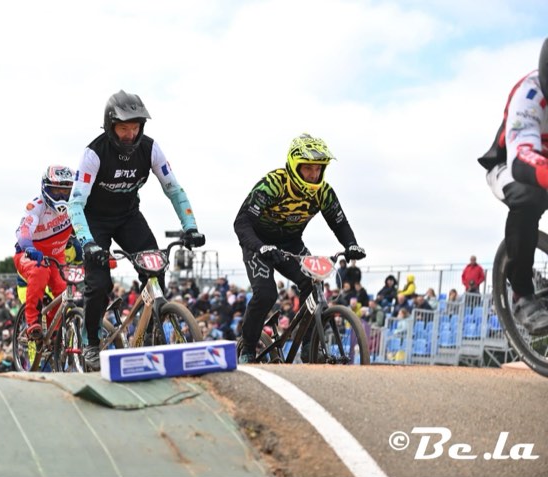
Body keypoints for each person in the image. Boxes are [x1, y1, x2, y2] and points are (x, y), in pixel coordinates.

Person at [67, 90, 205, 371]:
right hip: (95, 221)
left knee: (156, 267)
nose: (130, 134)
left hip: (129, 216)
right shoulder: (93, 154)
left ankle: (151, 329)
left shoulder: (151, 149)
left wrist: (190, 226)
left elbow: (174, 190)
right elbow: (75, 203)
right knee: (99, 285)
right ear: (110, 126)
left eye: (135, 127)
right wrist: (88, 242)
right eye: (123, 128)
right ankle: (91, 341)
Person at [233, 133, 366, 363]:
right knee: (266, 294)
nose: (314, 175)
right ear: (295, 166)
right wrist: (260, 247)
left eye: (318, 169)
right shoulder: (274, 183)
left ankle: (308, 346)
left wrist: (351, 245)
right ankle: (247, 349)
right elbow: (241, 222)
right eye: (308, 169)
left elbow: (339, 222)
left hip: (291, 244)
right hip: (259, 243)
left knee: (312, 283)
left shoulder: (323, 192)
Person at [480, 38, 548, 335]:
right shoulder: (529, 94)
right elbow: (522, 158)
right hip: (510, 164)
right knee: (528, 196)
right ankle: (522, 294)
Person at [13, 165, 77, 342]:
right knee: (39, 271)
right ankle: (32, 322)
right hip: (30, 255)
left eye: (66, 191)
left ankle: (54, 331)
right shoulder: (36, 206)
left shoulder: (76, 207)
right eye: (56, 190)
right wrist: (29, 246)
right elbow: (24, 230)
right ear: (46, 188)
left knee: (64, 290)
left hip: (57, 257)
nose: (62, 197)